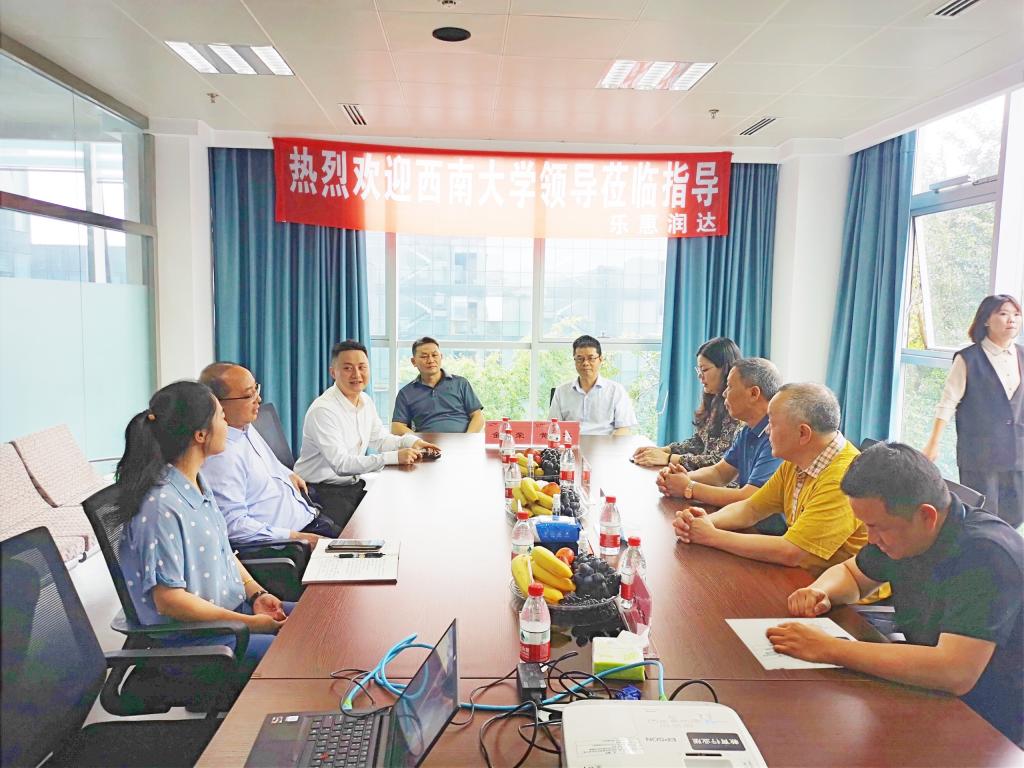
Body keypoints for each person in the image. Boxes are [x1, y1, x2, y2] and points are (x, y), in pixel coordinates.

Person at [768, 442, 1023, 747]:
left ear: (926, 516)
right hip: (926, 685)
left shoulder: (986, 555)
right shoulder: (903, 532)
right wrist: (820, 591)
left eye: (877, 527)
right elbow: (852, 575)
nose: (870, 538)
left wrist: (828, 648)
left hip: (992, 719)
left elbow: (955, 671)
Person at [114, 381, 293, 677]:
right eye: (221, 416)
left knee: (316, 620)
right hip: (196, 642)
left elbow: (224, 551)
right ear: (200, 435)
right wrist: (248, 623)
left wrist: (257, 595)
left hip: (231, 617)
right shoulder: (161, 507)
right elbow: (170, 600)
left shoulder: (196, 483)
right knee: (297, 651)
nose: (227, 424)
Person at [673, 383, 869, 573]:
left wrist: (711, 536)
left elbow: (792, 552)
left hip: (835, 590)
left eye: (772, 423)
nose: (767, 430)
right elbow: (751, 508)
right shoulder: (797, 460)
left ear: (803, 433)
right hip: (804, 577)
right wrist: (702, 522)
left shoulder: (844, 478)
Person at [294, 340, 440, 530]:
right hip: (318, 491)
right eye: (348, 368)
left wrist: (413, 442)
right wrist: (395, 457)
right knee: (367, 530)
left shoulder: (365, 400)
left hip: (349, 485)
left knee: (399, 510)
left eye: (362, 367)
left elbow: (380, 439)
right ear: (333, 372)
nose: (356, 374)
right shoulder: (323, 410)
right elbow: (341, 464)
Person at [198, 363, 341, 547]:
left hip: (310, 517)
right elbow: (234, 526)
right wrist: (297, 537)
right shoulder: (220, 456)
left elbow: (269, 465)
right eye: (249, 395)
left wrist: (287, 473)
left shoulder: (244, 427)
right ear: (217, 404)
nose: (258, 399)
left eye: (256, 389)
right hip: (291, 545)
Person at [923, 294, 1023, 527]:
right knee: (984, 516)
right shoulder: (968, 358)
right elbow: (948, 402)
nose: (1012, 319)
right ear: (986, 320)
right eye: (1003, 313)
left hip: (1018, 451)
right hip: (980, 453)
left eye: (1016, 314)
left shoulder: (1021, 355)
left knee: (1016, 513)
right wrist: (933, 443)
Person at [657, 357, 785, 534]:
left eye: (730, 387)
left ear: (754, 393)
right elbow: (720, 473)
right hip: (746, 524)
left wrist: (689, 487)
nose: (724, 393)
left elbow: (750, 497)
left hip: (769, 532)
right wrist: (679, 478)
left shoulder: (777, 437)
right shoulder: (748, 430)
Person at [633, 336, 742, 469]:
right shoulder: (713, 400)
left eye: (705, 370)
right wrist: (665, 450)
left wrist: (669, 458)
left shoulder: (736, 409)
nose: (699, 375)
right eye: (698, 370)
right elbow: (699, 442)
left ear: (725, 369)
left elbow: (720, 462)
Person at [391, 337, 484, 435]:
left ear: (441, 357)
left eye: (434, 355)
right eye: (424, 356)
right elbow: (397, 427)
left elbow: (478, 416)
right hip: (426, 443)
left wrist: (466, 439)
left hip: (462, 441)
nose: (431, 360)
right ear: (414, 361)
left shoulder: (461, 383)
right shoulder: (406, 393)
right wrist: (419, 441)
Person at [548, 334, 638, 436]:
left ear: (600, 359)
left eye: (591, 358)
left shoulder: (616, 390)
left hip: (605, 443)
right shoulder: (561, 392)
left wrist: (609, 445)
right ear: (574, 360)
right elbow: (553, 427)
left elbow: (624, 428)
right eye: (580, 358)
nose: (585, 363)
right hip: (570, 444)